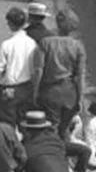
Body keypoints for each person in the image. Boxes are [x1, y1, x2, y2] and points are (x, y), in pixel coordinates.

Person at [33, 8, 87, 139]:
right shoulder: (78, 46)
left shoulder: (45, 43)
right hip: (69, 92)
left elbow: (38, 70)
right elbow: (80, 76)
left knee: (51, 127)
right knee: (64, 128)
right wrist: (80, 97)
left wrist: (35, 91)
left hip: (50, 91)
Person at [0, 6, 37, 127]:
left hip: (9, 88)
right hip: (27, 87)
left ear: (10, 23)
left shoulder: (6, 45)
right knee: (24, 122)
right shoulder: (32, 43)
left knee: (7, 123)